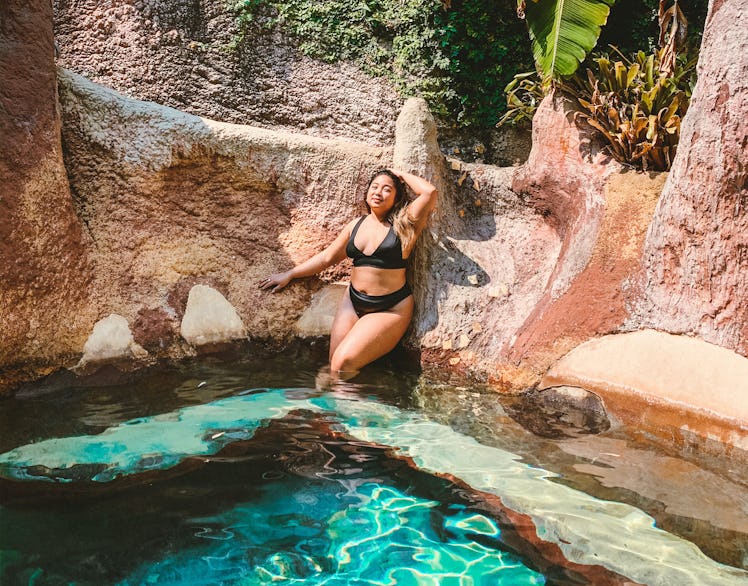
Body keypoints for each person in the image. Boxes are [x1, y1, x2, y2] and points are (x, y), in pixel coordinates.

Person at [259, 168, 438, 376]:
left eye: (387, 189)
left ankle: (358, 406)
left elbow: (429, 193)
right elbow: (327, 258)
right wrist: (290, 274)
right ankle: (338, 406)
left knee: (342, 365)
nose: (378, 192)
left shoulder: (404, 224)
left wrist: (399, 174)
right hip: (352, 302)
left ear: (397, 198)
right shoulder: (356, 225)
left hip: (390, 308)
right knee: (334, 369)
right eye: (375, 187)